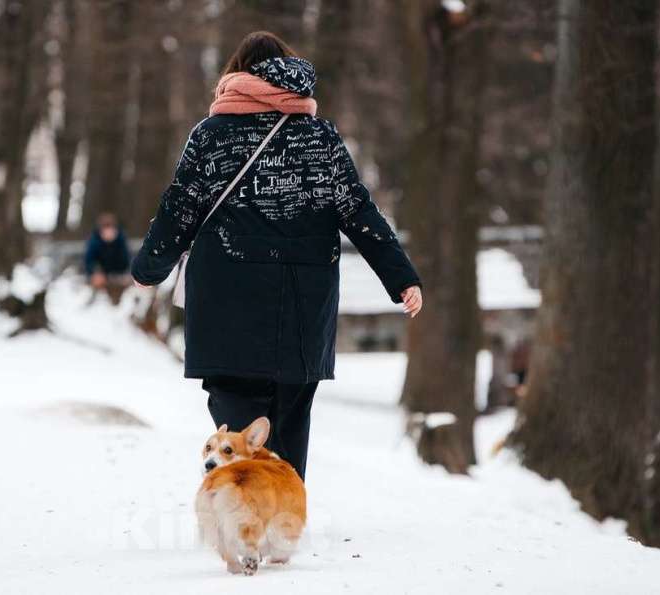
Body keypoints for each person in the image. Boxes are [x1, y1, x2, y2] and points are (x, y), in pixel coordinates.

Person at [131, 31, 422, 481]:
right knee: (289, 418)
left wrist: (149, 268)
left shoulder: (212, 134)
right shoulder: (320, 136)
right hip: (302, 306)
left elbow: (180, 206)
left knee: (237, 418)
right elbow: (357, 209)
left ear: (237, 74)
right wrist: (401, 277)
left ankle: (244, 517)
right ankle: (281, 517)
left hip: (228, 302)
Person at [84, 213, 131, 304]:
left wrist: (126, 274)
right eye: (106, 230)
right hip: (100, 275)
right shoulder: (94, 241)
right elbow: (89, 261)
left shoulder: (121, 240)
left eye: (111, 229)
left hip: (119, 274)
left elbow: (127, 260)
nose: (108, 233)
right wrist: (95, 272)